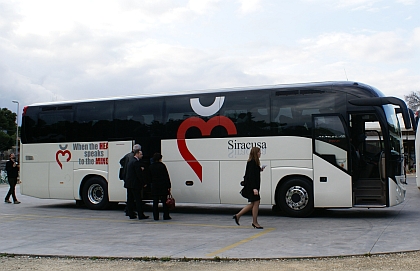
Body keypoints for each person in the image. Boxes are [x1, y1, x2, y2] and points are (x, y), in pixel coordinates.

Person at [233, 147, 265, 229]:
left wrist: (260, 169)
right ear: (255, 153)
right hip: (252, 187)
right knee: (256, 202)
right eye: (259, 152)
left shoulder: (253, 162)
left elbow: (253, 173)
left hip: (252, 187)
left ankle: (238, 215)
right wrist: (254, 188)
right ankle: (255, 222)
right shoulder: (252, 162)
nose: (260, 153)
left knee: (253, 204)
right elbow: (250, 176)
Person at [124, 149, 149, 220]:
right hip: (135, 184)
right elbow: (139, 174)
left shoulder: (131, 161)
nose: (142, 156)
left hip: (129, 184)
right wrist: (143, 183)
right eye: (141, 154)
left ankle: (131, 214)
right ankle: (141, 215)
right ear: (137, 154)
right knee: (138, 200)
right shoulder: (136, 162)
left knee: (130, 199)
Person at [119, 144, 141, 216]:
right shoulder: (133, 158)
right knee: (133, 197)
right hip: (131, 179)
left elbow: (121, 161)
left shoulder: (128, 155)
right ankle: (129, 210)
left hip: (127, 178)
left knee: (129, 196)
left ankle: (128, 210)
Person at [149, 153, 172, 221]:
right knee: (164, 202)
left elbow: (149, 177)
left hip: (155, 186)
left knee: (155, 202)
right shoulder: (162, 166)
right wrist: (169, 186)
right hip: (163, 185)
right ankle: (166, 215)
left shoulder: (151, 166)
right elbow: (166, 176)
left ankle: (156, 216)